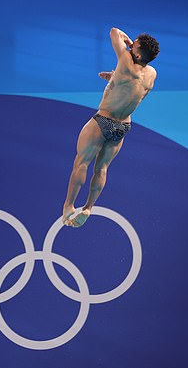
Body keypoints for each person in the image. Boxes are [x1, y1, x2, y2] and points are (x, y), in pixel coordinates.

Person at [61, 28, 160, 227]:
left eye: (134, 45)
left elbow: (115, 32)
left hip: (103, 120)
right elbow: (133, 90)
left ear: (138, 53)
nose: (131, 46)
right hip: (123, 127)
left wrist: (128, 43)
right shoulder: (151, 74)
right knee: (102, 169)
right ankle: (88, 207)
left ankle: (68, 207)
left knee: (81, 164)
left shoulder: (125, 60)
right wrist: (114, 78)